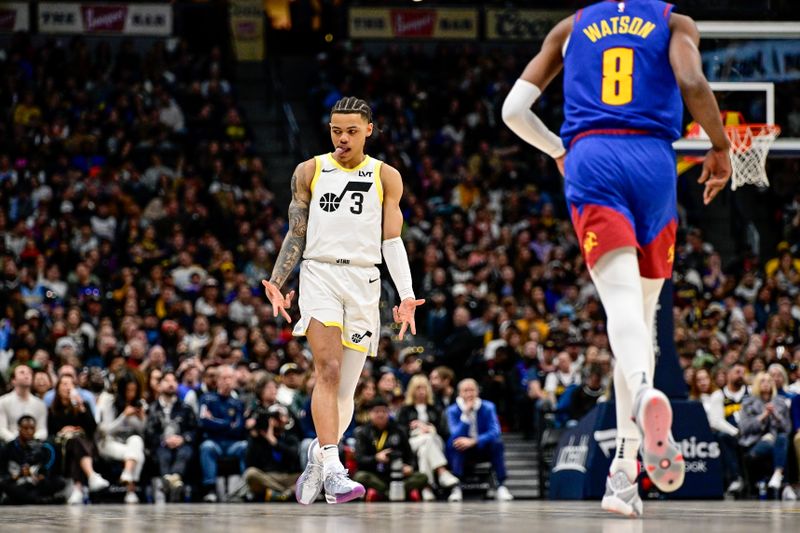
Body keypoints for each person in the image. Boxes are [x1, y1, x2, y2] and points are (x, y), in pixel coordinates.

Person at [502, 0, 732, 517]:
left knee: (622, 307)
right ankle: (625, 473)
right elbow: (693, 83)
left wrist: (558, 151)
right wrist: (719, 145)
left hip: (592, 157)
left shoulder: (569, 26)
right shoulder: (674, 22)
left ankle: (646, 396)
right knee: (642, 318)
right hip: (654, 162)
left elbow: (512, 112)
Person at [261, 96, 425, 505]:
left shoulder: (386, 176)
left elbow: (392, 240)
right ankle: (334, 467)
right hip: (319, 274)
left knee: (345, 391)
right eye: (336, 130)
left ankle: (319, 456)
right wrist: (279, 279)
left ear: (369, 129)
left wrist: (405, 295)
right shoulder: (310, 170)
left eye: (351, 131)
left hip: (364, 280)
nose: (342, 138)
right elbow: (296, 231)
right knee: (328, 369)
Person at [446, 379, 513, 502]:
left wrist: (474, 441)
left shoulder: (488, 407)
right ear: (459, 393)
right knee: (454, 443)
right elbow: (455, 434)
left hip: (482, 447)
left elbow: (495, 430)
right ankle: (456, 487)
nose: (469, 394)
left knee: (497, 442)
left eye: (472, 390)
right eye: (465, 390)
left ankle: (501, 486)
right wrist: (465, 414)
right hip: (462, 449)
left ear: (477, 392)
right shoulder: (452, 410)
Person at [47, 374, 109, 504]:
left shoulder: (83, 404)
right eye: (64, 384)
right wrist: (63, 431)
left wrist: (81, 409)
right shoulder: (53, 410)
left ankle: (77, 489)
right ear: (57, 388)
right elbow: (51, 433)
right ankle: (91, 475)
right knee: (74, 443)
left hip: (85, 444)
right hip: (63, 446)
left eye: (70, 384)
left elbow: (92, 429)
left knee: (77, 445)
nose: (67, 387)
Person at [397, 374, 459, 500]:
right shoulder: (405, 410)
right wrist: (415, 428)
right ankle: (442, 472)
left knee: (426, 446)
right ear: (412, 390)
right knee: (426, 440)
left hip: (435, 441)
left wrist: (431, 429)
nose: (421, 391)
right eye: (418, 388)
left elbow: (445, 432)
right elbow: (399, 433)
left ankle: (427, 487)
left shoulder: (436, 408)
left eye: (423, 388)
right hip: (412, 442)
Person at [353, 398, 428, 502]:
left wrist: (409, 467)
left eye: (384, 411)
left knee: (422, 477)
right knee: (359, 476)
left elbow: (410, 456)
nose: (380, 415)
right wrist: (376, 458)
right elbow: (360, 459)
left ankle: (383, 494)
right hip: (375, 475)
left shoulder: (398, 430)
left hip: (397, 475)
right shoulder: (362, 432)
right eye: (377, 411)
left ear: (388, 413)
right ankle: (391, 493)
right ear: (370, 414)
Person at [145, 370, 197, 502]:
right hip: (161, 445)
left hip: (182, 444)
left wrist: (182, 438)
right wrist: (164, 440)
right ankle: (174, 483)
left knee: (184, 453)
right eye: (167, 381)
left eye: (174, 381)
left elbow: (194, 429)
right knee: (164, 455)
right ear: (160, 385)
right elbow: (150, 432)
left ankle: (171, 481)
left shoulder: (185, 407)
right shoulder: (153, 408)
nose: (171, 384)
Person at [198, 365, 247, 502]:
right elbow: (203, 423)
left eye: (230, 378)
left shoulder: (237, 402)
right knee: (206, 447)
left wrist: (214, 421)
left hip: (232, 444)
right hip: (214, 442)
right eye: (224, 378)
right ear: (218, 380)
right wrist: (227, 424)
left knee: (244, 446)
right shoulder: (206, 399)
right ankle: (210, 489)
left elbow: (239, 427)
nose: (227, 381)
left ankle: (245, 488)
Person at [96, 372, 147, 504]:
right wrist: (124, 416)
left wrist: (142, 418)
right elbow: (106, 430)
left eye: (134, 390)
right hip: (108, 443)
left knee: (137, 441)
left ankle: (127, 473)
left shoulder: (140, 404)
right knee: (137, 455)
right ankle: (131, 491)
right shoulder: (108, 401)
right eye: (128, 390)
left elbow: (142, 432)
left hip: (129, 443)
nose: (131, 394)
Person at [691, 367, 742, 494]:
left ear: (710, 379)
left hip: (716, 434)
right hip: (697, 437)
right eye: (699, 380)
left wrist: (735, 432)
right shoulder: (691, 399)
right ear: (695, 383)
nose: (703, 382)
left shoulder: (717, 394)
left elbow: (716, 421)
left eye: (705, 379)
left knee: (723, 437)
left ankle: (734, 478)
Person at [738, 372, 791, 492]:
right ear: (756, 384)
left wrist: (775, 415)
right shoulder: (747, 403)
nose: (766, 384)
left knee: (782, 439)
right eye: (762, 381)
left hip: (777, 440)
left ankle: (777, 475)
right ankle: (784, 483)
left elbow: (787, 429)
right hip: (754, 442)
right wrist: (763, 416)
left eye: (769, 381)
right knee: (774, 445)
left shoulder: (780, 402)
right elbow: (744, 428)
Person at [0, 415, 65, 504]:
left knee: (59, 481)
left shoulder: (42, 446)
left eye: (32, 428)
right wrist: (18, 475)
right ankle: (41, 500)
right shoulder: (8, 447)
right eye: (25, 428)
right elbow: (3, 473)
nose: (29, 431)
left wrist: (41, 475)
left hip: (35, 484)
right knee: (4, 485)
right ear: (19, 429)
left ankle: (23, 500)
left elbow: (47, 469)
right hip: (18, 483)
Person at [243, 404, 302, 501]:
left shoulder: (290, 436)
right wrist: (254, 438)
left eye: (280, 417)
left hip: (288, 477)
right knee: (250, 474)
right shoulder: (259, 438)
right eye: (273, 418)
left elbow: (294, 455)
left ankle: (278, 493)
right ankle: (286, 493)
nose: (276, 421)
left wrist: (274, 442)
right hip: (267, 477)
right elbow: (249, 463)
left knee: (311, 476)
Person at [0, 365, 48, 444]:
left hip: (33, 444)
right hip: (10, 445)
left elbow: (42, 430)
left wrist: (32, 440)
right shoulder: (3, 401)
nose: (27, 375)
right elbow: (1, 429)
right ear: (13, 380)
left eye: (29, 373)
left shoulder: (40, 404)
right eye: (22, 372)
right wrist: (17, 442)